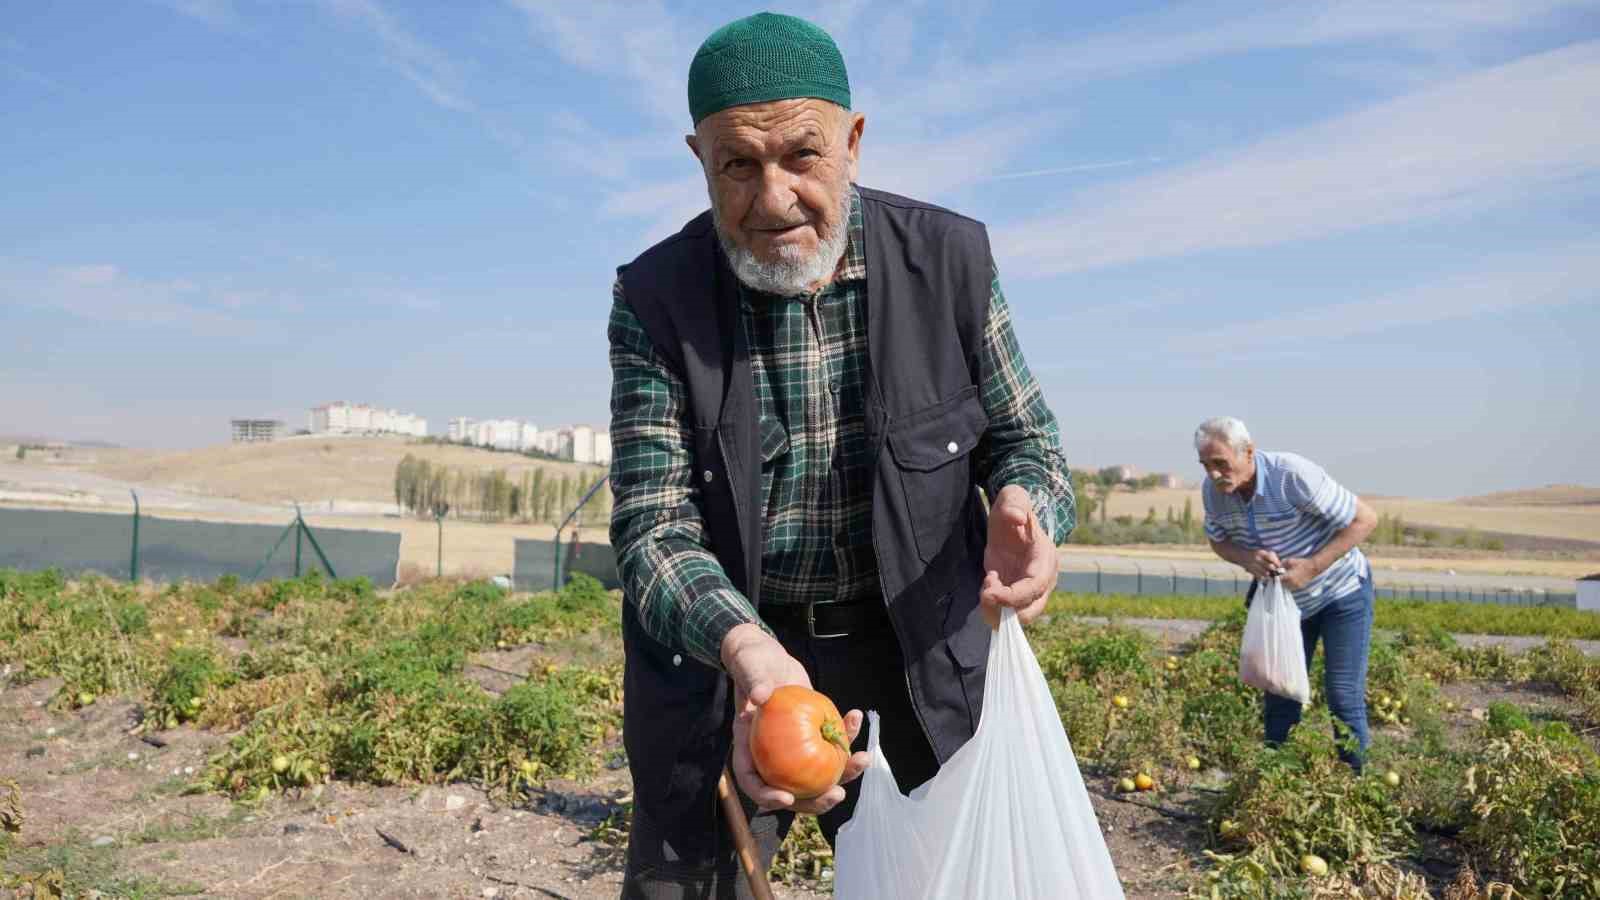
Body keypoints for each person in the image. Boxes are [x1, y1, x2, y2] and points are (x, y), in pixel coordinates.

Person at [606, 12, 1076, 897]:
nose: (773, 196)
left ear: (854, 143)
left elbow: (1031, 442)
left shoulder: (950, 264)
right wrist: (746, 650)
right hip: (733, 654)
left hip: (914, 650)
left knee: (951, 878)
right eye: (737, 165)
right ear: (697, 157)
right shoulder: (655, 299)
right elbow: (651, 527)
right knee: (694, 884)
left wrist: (1029, 507)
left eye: (802, 156)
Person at [1195, 416, 1378, 769]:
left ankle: (1359, 787)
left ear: (1248, 452)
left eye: (1221, 463)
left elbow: (1365, 519)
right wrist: (1248, 558)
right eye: (1206, 466)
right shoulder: (1214, 494)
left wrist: (1311, 566)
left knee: (1343, 696)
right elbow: (1218, 541)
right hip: (1286, 602)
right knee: (1280, 692)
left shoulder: (1291, 475)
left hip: (1341, 593)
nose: (1215, 474)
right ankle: (1276, 781)